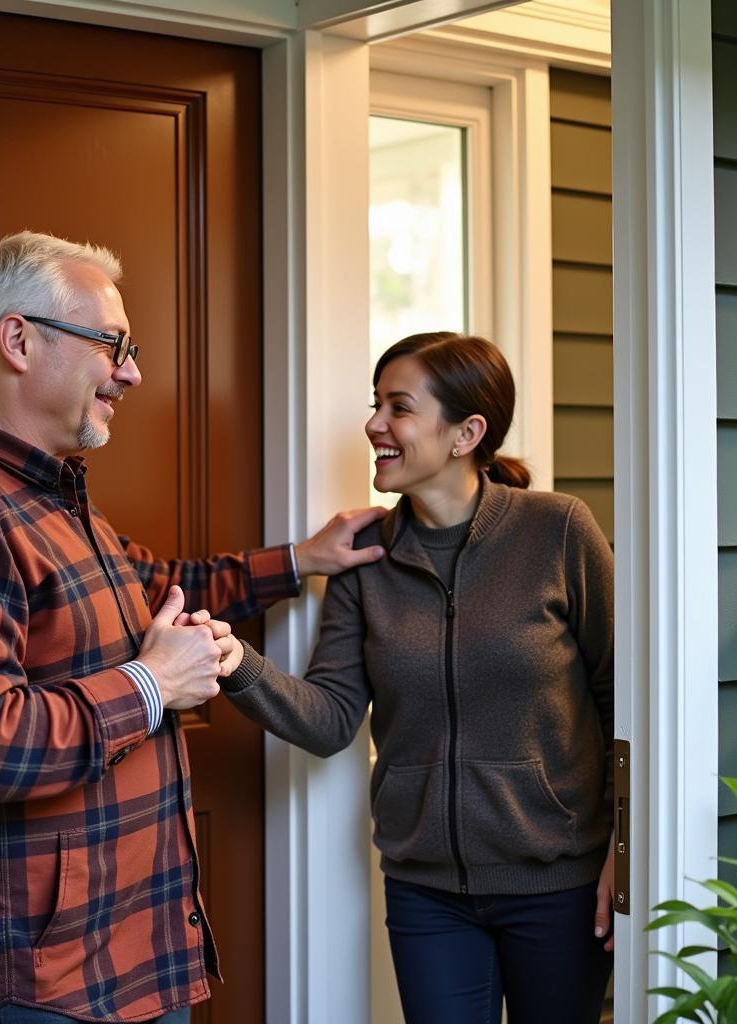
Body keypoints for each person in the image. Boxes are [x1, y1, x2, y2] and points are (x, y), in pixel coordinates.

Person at [0, 231, 384, 1024]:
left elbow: (158, 589)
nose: (130, 371)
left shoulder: (50, 499)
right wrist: (153, 684)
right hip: (17, 984)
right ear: (19, 340)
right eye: (113, 344)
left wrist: (304, 557)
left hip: (111, 964)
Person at [215, 332, 615, 1024]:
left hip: (558, 883)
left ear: (467, 432)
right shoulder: (367, 560)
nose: (374, 425)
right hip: (425, 891)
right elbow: (331, 715)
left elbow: (619, 698)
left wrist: (620, 850)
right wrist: (237, 663)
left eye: (398, 407)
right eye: (377, 405)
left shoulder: (557, 532)